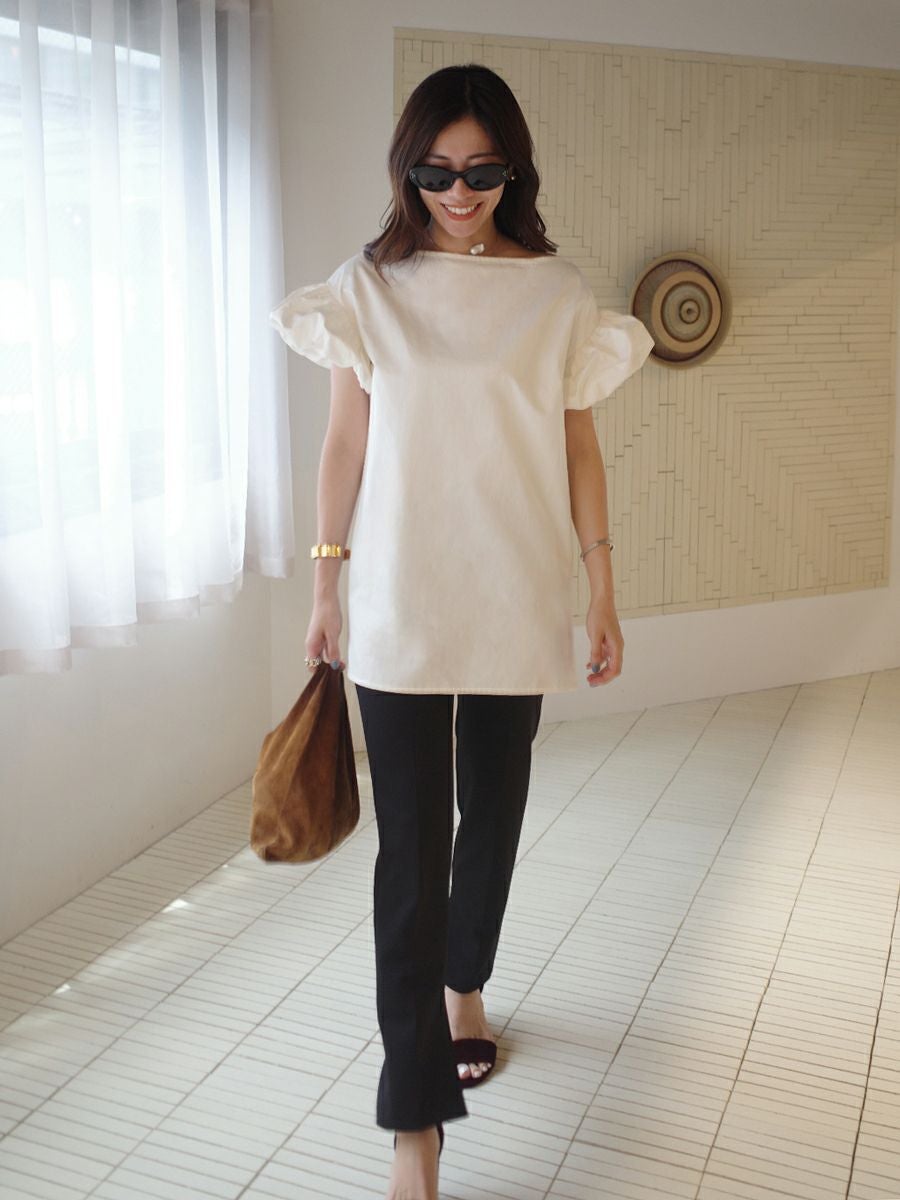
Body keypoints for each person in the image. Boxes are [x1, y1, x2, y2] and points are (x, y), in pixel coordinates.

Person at [269, 62, 654, 1200]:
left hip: (516, 589)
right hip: (399, 595)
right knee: (410, 855)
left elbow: (578, 448)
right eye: (435, 171)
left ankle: (466, 987)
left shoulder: (556, 295)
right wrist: (326, 587)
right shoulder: (369, 288)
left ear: (513, 170)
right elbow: (346, 445)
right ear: (407, 170)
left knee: (493, 810)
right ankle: (416, 1122)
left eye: (481, 170)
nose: (457, 191)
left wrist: (602, 587)